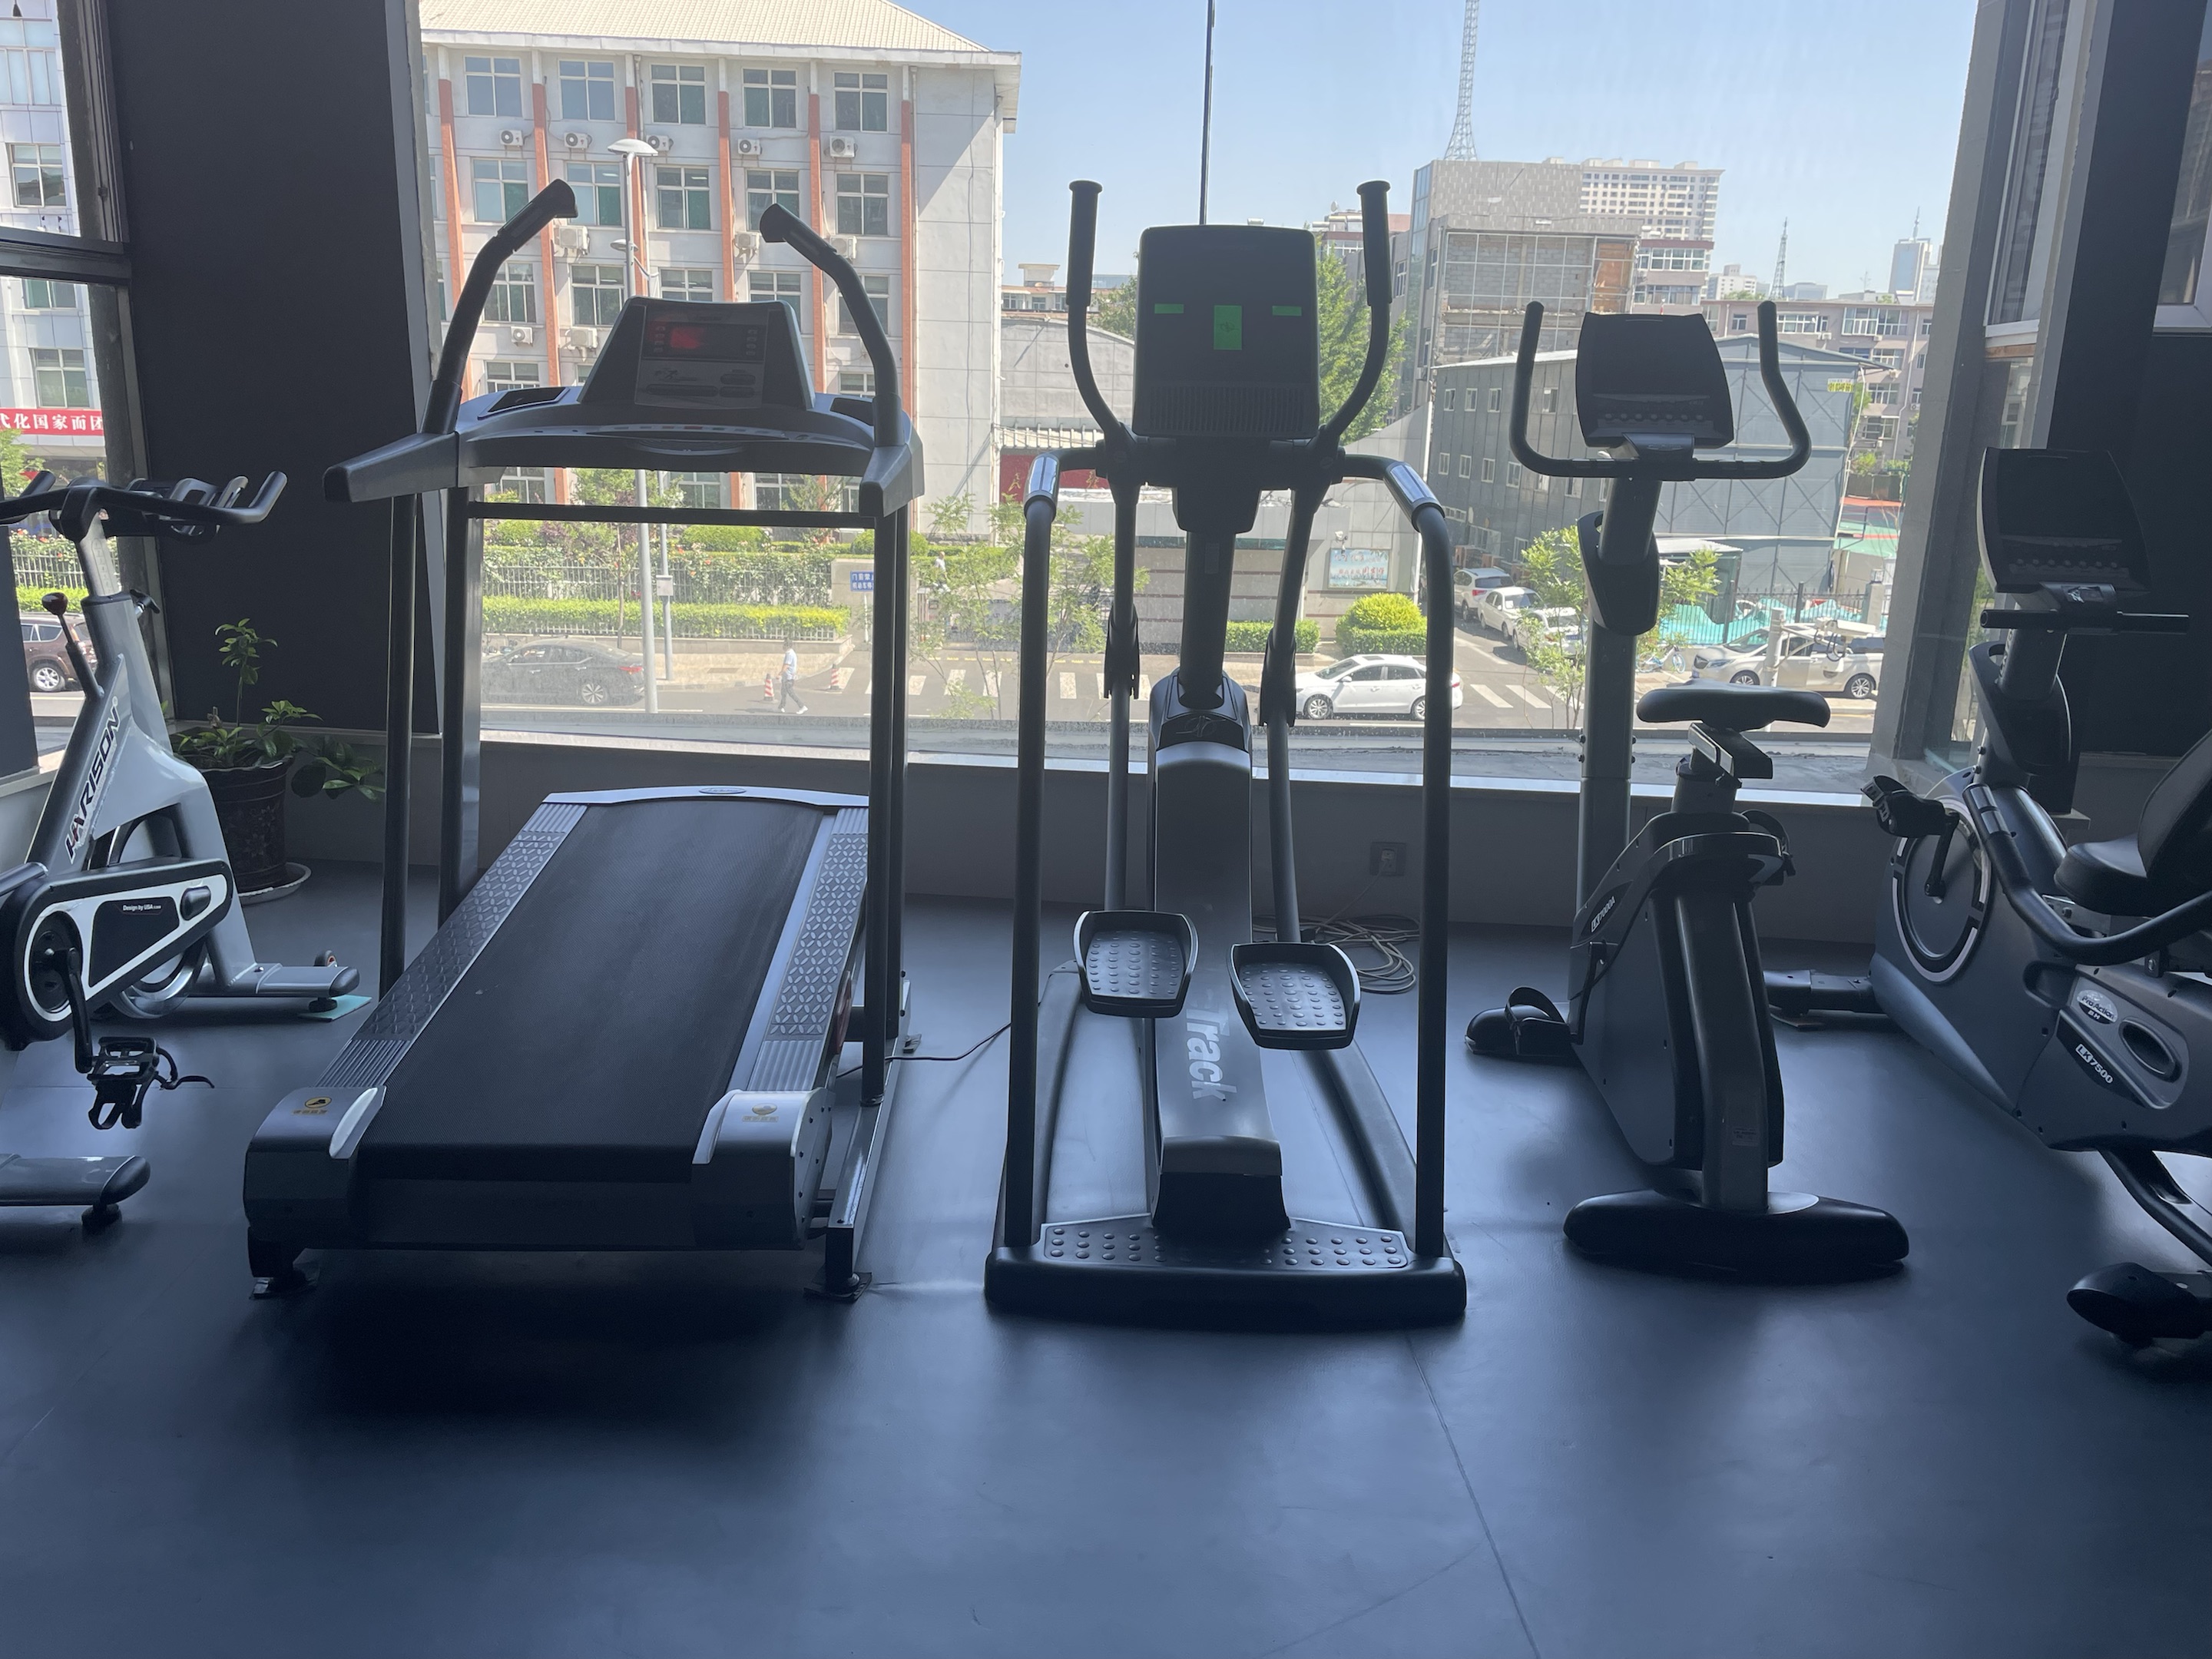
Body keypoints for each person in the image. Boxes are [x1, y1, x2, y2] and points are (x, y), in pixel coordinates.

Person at [777, 638, 808, 714]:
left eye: (784, 645)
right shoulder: (790, 653)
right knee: (783, 692)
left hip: (788, 677)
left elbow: (786, 665)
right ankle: (781, 707)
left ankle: (802, 706)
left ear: (787, 645)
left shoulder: (789, 654)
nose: (783, 646)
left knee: (791, 693)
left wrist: (780, 674)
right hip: (787, 677)